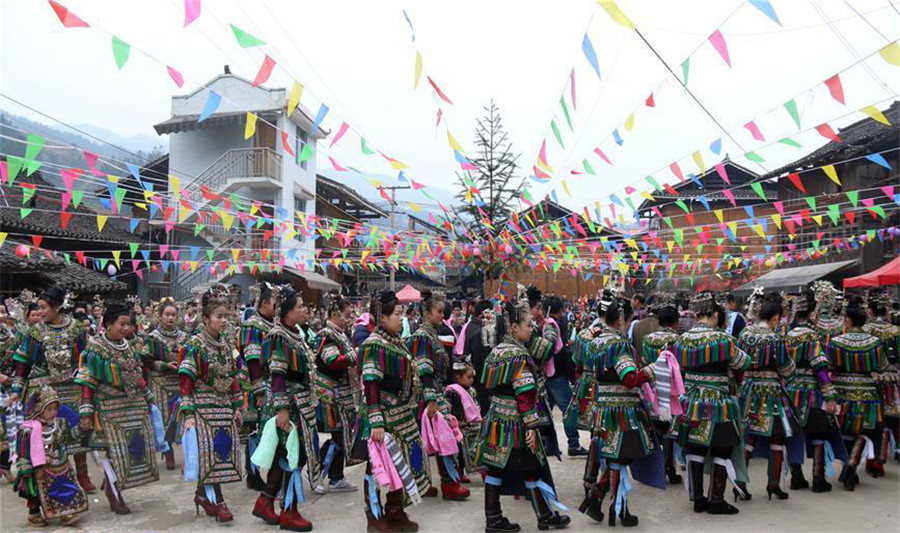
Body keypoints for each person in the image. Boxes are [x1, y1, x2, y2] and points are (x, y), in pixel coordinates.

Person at [473, 291, 570, 533]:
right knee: (532, 465)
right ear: (514, 327)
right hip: (515, 422)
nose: (531, 329)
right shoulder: (519, 355)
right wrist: (531, 425)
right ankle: (537, 516)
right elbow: (525, 394)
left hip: (496, 418)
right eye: (528, 325)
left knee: (497, 467)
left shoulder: (498, 351)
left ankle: (495, 517)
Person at [352, 290, 430, 532]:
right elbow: (372, 383)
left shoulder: (397, 342)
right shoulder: (375, 345)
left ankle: (395, 510)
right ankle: (374, 516)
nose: (401, 319)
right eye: (397, 314)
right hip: (382, 416)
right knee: (376, 466)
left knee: (403, 462)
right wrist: (376, 421)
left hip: (401, 415)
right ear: (382, 317)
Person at [579, 299, 660, 527]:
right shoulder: (619, 345)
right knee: (623, 456)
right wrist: (652, 369)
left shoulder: (594, 343)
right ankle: (618, 509)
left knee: (619, 457)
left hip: (602, 407)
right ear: (620, 320)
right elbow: (629, 378)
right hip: (621, 411)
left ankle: (599, 498)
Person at [75, 300, 160, 515]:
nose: (126, 328)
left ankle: (112, 485)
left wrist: (149, 398)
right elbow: (88, 381)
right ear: (108, 324)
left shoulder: (129, 345)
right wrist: (86, 412)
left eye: (128, 324)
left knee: (130, 450)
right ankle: (115, 493)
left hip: (132, 405)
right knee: (111, 453)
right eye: (121, 324)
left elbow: (137, 376)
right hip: (107, 407)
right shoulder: (94, 349)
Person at [671, 291, 751, 515]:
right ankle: (716, 499)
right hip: (718, 402)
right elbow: (743, 362)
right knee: (722, 448)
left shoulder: (683, 339)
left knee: (694, 447)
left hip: (691, 401)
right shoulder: (723, 339)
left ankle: (697, 498)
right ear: (715, 314)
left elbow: (679, 365)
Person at [9, 287, 94, 493]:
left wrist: (88, 382)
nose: (40, 312)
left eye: (43, 307)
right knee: (45, 437)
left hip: (70, 387)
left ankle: (82, 474)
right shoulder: (35, 332)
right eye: (38, 308)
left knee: (77, 429)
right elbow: (23, 362)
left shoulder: (75, 329)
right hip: (42, 390)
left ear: (57, 307)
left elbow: (85, 358)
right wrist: (17, 389)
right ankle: (47, 480)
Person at [251, 285, 321, 532]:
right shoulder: (279, 336)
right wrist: (282, 410)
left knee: (288, 455)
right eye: (300, 307)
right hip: (287, 406)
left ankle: (266, 501)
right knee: (293, 456)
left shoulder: (296, 333)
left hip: (298, 405)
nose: (305, 310)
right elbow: (278, 374)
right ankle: (288, 510)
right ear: (287, 312)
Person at [179, 286, 243, 523]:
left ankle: (201, 495)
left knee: (222, 451)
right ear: (205, 319)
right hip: (203, 406)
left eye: (226, 316)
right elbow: (186, 381)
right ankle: (218, 500)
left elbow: (235, 374)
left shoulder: (227, 343)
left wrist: (237, 405)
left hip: (224, 405)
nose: (224, 321)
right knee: (211, 452)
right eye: (219, 317)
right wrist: (188, 414)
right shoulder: (195, 345)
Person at [736, 293, 800, 502]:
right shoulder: (776, 338)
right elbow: (787, 368)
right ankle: (773, 484)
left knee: (750, 437)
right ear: (775, 318)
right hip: (771, 392)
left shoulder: (745, 335)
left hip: (748, 390)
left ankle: (740, 484)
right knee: (777, 437)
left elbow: (737, 362)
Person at [408, 290, 469, 501]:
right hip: (426, 396)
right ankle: (441, 483)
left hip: (434, 392)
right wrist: (431, 398)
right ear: (427, 313)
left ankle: (442, 482)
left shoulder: (432, 333)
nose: (442, 316)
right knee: (436, 438)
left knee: (440, 438)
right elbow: (424, 369)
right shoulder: (423, 336)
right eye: (439, 311)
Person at [783, 289, 842, 493]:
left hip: (790, 389)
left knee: (794, 432)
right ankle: (818, 477)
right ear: (812, 313)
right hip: (811, 391)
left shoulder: (786, 335)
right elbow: (820, 369)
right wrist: (830, 395)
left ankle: (796, 475)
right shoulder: (813, 336)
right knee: (819, 431)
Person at [826, 302, 889, 491]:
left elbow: (829, 366)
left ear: (848, 320)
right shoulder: (875, 343)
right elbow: (882, 367)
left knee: (845, 431)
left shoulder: (837, 342)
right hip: (867, 392)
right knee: (864, 431)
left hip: (842, 390)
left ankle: (848, 465)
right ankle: (851, 467)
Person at [14, 385, 89, 526]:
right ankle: (34, 515)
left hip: (61, 464)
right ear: (40, 409)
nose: (53, 412)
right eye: (49, 409)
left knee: (66, 488)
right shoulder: (28, 429)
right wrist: (25, 467)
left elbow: (69, 437)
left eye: (55, 409)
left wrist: (80, 429)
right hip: (41, 467)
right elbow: (23, 451)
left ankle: (66, 513)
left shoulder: (60, 423)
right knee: (35, 492)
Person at [313, 298, 360, 494]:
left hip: (342, 393)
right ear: (335, 314)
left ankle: (336, 476)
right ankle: (319, 473)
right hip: (330, 395)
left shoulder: (340, 334)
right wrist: (355, 355)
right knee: (337, 435)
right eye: (347, 313)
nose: (350, 317)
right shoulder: (326, 335)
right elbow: (332, 360)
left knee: (342, 436)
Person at [637, 302, 682, 485]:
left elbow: (645, 360)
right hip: (670, 388)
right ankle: (669, 465)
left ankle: (656, 466)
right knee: (670, 430)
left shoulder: (649, 338)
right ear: (675, 322)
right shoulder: (678, 339)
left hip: (652, 386)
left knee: (654, 426)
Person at [241, 282, 277, 491]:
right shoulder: (253, 325)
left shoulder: (271, 323)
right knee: (255, 430)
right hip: (256, 385)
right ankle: (252, 474)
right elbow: (252, 358)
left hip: (270, 383)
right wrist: (259, 389)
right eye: (274, 303)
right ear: (264, 303)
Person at [143, 298, 186, 471]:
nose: (170, 318)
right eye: (167, 315)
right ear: (160, 316)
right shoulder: (153, 338)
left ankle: (186, 453)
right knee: (165, 419)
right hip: (160, 382)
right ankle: (168, 453)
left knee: (182, 417)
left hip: (180, 381)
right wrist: (163, 365)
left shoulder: (184, 336)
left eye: (173, 315)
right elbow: (145, 359)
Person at [542, 296, 586, 456]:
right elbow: (550, 349)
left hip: (548, 374)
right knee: (568, 410)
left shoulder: (548, 324)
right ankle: (573, 444)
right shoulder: (553, 325)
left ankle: (548, 444)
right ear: (559, 311)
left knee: (545, 411)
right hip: (556, 374)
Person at [863, 293, 900, 475]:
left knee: (874, 419)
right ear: (887, 310)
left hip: (871, 379)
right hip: (892, 380)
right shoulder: (895, 331)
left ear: (869, 310)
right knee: (891, 418)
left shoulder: (865, 329)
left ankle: (872, 457)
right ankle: (880, 458)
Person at [445, 362, 482, 479]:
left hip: (472, 424)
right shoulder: (452, 391)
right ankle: (460, 472)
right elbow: (454, 411)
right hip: (459, 426)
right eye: (468, 377)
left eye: (472, 378)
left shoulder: (472, 391)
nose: (471, 380)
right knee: (459, 452)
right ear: (459, 378)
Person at [463, 300, 493, 416]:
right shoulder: (480, 332)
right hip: (481, 379)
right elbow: (481, 362)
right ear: (484, 314)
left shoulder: (472, 325)